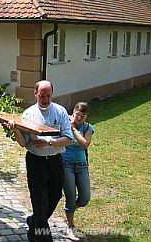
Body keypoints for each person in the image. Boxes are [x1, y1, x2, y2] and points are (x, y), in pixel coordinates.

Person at [7, 80, 73, 242]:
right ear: (35, 94)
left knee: (55, 195)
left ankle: (33, 220)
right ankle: (43, 237)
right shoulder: (28, 114)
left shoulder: (60, 111)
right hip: (36, 161)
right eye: (42, 96)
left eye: (48, 96)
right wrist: (15, 130)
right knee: (39, 200)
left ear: (52, 94)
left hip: (55, 160)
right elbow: (24, 143)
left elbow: (68, 139)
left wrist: (49, 142)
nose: (45, 99)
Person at [62, 102, 94, 241]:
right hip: (65, 164)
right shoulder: (64, 122)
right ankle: (70, 225)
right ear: (73, 112)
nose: (79, 117)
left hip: (81, 165)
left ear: (86, 116)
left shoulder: (87, 127)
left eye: (83, 115)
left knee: (85, 198)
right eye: (77, 114)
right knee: (70, 196)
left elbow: (85, 143)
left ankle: (70, 209)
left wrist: (74, 128)